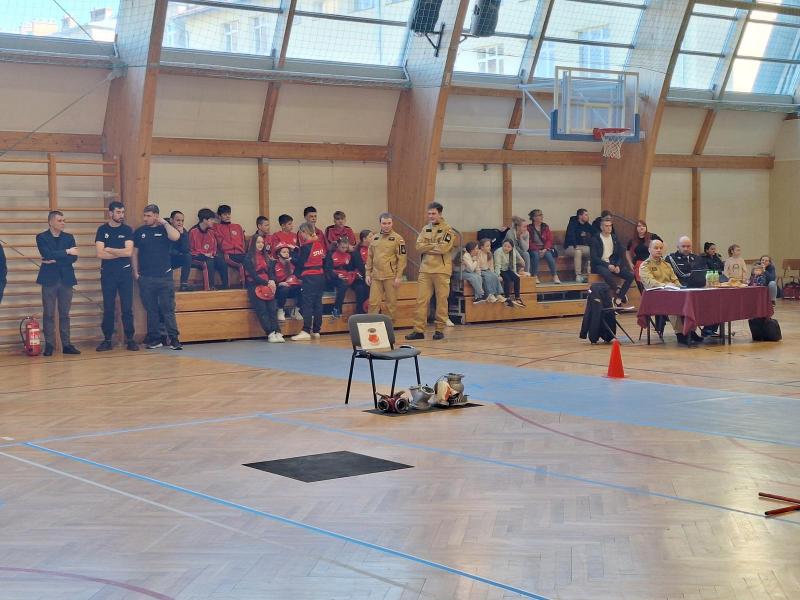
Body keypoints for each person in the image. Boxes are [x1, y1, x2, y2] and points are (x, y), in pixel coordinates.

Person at [132, 204, 182, 350]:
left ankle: (174, 339)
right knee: (151, 310)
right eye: (144, 215)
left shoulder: (165, 229)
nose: (145, 218)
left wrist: (164, 222)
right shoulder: (140, 232)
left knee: (168, 310)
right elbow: (134, 253)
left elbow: (176, 236)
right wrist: (136, 273)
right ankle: (155, 339)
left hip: (164, 277)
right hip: (146, 278)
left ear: (156, 216)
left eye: (148, 216)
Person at [406, 202, 454, 341]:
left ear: (440, 214)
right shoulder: (425, 228)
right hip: (425, 270)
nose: (431, 216)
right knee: (421, 300)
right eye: (429, 213)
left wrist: (427, 247)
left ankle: (439, 329)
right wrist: (434, 245)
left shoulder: (447, 229)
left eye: (434, 213)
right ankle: (418, 330)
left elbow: (443, 248)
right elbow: (418, 247)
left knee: (441, 300)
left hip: (441, 270)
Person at [639, 239, 701, 346]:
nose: (659, 250)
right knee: (673, 304)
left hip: (672, 293)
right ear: (649, 250)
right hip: (654, 297)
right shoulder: (645, 265)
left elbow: (675, 280)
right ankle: (680, 334)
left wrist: (679, 287)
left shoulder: (666, 264)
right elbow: (650, 282)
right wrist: (665, 285)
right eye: (656, 248)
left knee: (690, 301)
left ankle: (691, 330)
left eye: (661, 248)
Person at [94, 200, 137, 352]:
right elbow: (100, 254)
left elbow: (128, 252)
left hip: (124, 273)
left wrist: (110, 249)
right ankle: (107, 340)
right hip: (108, 274)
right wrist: (119, 252)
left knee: (127, 308)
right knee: (108, 308)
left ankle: (130, 339)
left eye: (123, 212)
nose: (121, 215)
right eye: (118, 212)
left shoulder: (127, 229)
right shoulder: (102, 230)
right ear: (110, 213)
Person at [36, 210, 80, 356]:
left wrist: (55, 259)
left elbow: (74, 258)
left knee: (65, 314)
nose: (63, 223)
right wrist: (67, 251)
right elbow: (47, 254)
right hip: (49, 279)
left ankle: (66, 344)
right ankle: (49, 344)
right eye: (60, 220)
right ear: (51, 222)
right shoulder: (41, 237)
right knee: (48, 313)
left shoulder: (69, 237)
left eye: (64, 220)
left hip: (66, 279)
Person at [366, 213, 406, 322]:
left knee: (391, 304)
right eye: (384, 223)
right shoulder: (374, 238)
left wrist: (399, 276)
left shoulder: (398, 239)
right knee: (373, 303)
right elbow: (370, 257)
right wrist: (367, 274)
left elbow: (402, 259)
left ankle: (389, 326)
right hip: (376, 276)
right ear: (380, 223)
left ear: (392, 223)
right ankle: (372, 326)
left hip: (391, 276)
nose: (386, 226)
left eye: (389, 223)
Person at [243, 234, 283, 343]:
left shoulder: (266, 257)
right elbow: (253, 275)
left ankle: (278, 331)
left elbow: (270, 272)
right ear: (253, 244)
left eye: (262, 242)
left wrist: (272, 281)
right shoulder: (248, 258)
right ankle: (270, 333)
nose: (260, 244)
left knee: (272, 309)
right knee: (262, 311)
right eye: (258, 242)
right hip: (255, 285)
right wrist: (267, 282)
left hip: (267, 285)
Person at [292, 223, 327, 341]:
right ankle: (316, 330)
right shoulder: (319, 244)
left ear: (304, 232)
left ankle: (306, 330)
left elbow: (300, 263)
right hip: (320, 276)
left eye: (301, 232)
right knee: (318, 303)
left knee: (307, 304)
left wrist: (292, 258)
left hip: (310, 277)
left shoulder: (306, 247)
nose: (300, 235)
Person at [589, 217, 634, 306]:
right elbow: (594, 258)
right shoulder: (595, 239)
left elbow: (619, 254)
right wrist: (607, 265)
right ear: (601, 227)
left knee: (630, 276)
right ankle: (618, 290)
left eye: (610, 226)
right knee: (606, 273)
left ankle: (619, 298)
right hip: (599, 264)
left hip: (613, 263)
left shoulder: (614, 238)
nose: (609, 228)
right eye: (606, 226)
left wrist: (617, 265)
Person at [325, 237, 368, 320]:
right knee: (343, 285)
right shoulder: (331, 254)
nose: (344, 249)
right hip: (335, 277)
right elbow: (328, 269)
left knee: (361, 286)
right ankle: (337, 308)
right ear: (338, 245)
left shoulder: (350, 254)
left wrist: (356, 274)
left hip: (348, 275)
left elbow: (352, 268)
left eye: (346, 247)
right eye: (342, 247)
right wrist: (336, 275)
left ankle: (361, 311)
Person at [189, 208, 228, 289]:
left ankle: (226, 287)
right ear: (204, 220)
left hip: (208, 256)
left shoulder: (211, 232)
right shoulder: (193, 231)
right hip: (195, 257)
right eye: (211, 219)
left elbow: (214, 247)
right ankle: (210, 287)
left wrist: (212, 254)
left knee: (221, 261)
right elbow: (190, 250)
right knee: (209, 261)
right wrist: (204, 254)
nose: (213, 221)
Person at [627, 220, 661, 293]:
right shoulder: (633, 240)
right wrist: (630, 263)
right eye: (639, 226)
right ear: (636, 228)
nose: (641, 228)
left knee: (653, 287)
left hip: (651, 264)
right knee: (642, 288)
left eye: (643, 226)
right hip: (638, 265)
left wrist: (658, 256)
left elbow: (663, 245)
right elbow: (627, 251)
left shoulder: (652, 236)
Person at [527, 209, 560, 284]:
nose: (541, 216)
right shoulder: (529, 228)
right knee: (535, 256)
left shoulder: (545, 226)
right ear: (534, 217)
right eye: (539, 215)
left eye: (541, 215)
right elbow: (529, 241)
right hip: (534, 249)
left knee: (549, 256)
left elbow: (549, 239)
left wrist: (545, 249)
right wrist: (537, 250)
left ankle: (555, 276)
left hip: (544, 248)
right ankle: (534, 276)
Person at [272, 243, 302, 322]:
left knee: (304, 288)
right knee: (284, 289)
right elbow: (271, 277)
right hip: (279, 288)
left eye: (288, 252)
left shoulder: (292, 263)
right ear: (278, 255)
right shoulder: (273, 264)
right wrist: (278, 283)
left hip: (291, 286)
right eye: (284, 252)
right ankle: (280, 310)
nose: (286, 254)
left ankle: (296, 310)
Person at [563, 208, 593, 283]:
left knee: (592, 250)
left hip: (581, 247)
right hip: (570, 247)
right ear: (580, 216)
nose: (587, 217)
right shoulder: (572, 224)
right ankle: (578, 275)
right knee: (578, 252)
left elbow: (594, 232)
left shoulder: (587, 225)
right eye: (585, 215)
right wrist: (575, 246)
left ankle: (587, 274)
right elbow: (571, 236)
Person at [494, 239, 526, 308]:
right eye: (505, 246)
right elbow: (497, 265)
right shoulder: (498, 252)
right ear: (502, 245)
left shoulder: (513, 252)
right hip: (500, 269)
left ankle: (517, 297)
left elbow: (513, 264)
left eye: (508, 247)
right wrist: (498, 275)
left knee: (517, 278)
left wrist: (515, 273)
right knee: (507, 279)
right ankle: (507, 298)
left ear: (511, 248)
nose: (506, 248)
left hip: (507, 269)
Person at [214, 204, 246, 268]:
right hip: (227, 254)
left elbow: (243, 241)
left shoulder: (237, 227)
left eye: (229, 214)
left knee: (251, 260)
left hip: (240, 253)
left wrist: (242, 251)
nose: (228, 216)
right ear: (219, 216)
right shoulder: (216, 227)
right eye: (225, 214)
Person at [168, 210, 192, 291]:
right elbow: (167, 249)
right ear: (171, 220)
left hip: (175, 258)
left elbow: (186, 249)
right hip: (165, 259)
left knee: (187, 256)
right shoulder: (165, 229)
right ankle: (168, 286)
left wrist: (182, 235)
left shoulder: (183, 231)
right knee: (166, 257)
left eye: (182, 221)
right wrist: (178, 253)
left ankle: (184, 285)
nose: (180, 223)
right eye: (178, 220)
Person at [477, 238, 505, 302]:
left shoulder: (489, 254)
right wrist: (478, 274)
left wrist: (494, 274)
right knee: (488, 277)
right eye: (487, 246)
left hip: (487, 270)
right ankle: (490, 295)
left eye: (490, 246)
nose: (489, 247)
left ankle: (498, 294)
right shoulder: (479, 253)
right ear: (482, 247)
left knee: (494, 276)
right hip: (481, 271)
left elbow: (491, 266)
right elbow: (477, 265)